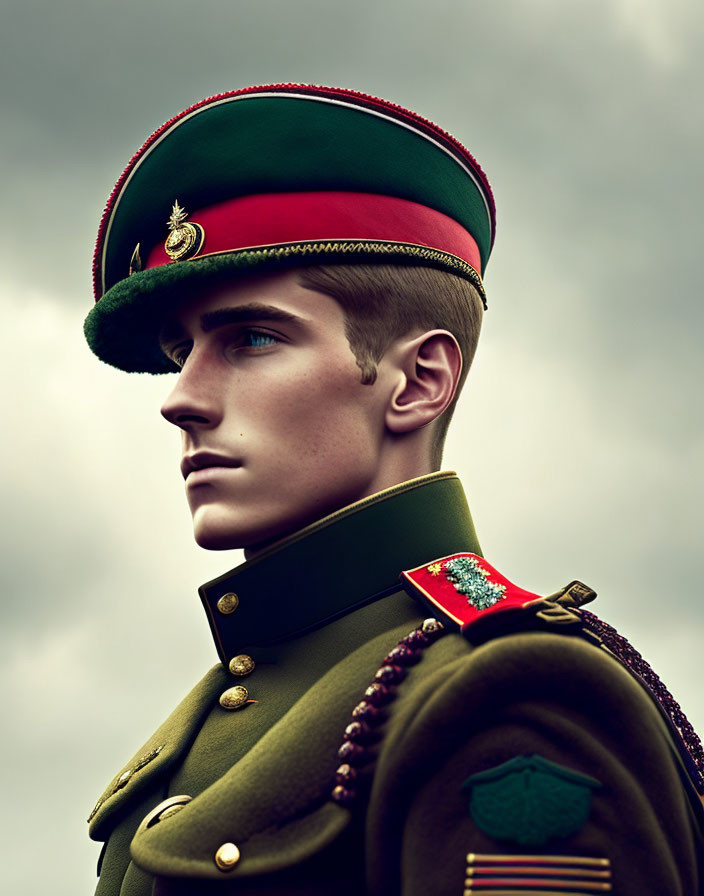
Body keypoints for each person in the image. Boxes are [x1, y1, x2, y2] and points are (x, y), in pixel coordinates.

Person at [84, 84, 704, 896]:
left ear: (417, 379)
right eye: (180, 351)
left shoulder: (508, 698)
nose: (181, 398)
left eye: (251, 339)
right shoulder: (235, 705)